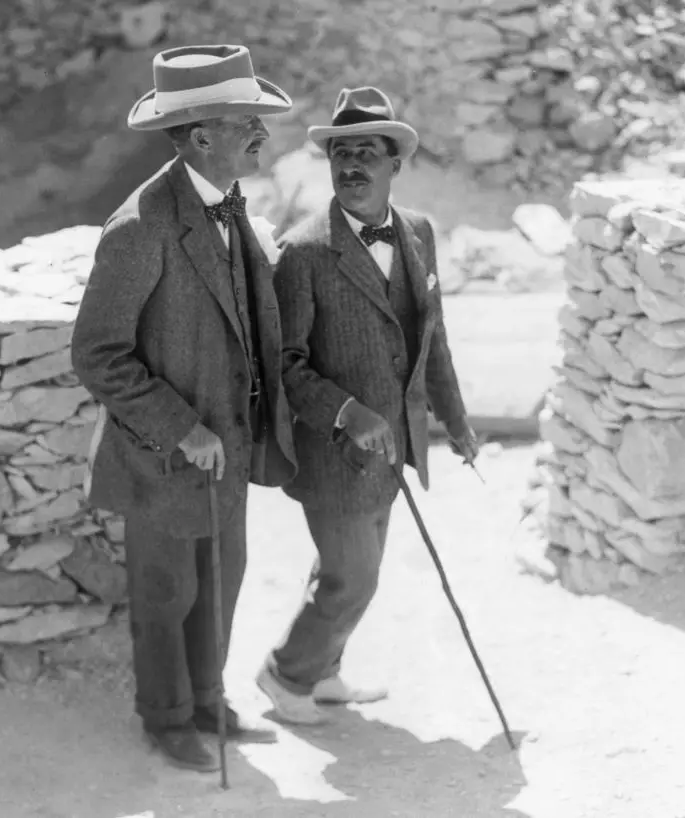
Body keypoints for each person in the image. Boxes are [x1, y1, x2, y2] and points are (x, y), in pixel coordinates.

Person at [70, 44, 298, 772]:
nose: (262, 136)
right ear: (202, 136)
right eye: (248, 124)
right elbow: (99, 354)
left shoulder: (232, 210)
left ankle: (207, 699)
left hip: (226, 452)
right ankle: (166, 719)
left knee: (222, 582)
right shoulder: (141, 227)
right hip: (165, 455)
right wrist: (182, 427)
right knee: (166, 594)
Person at [256, 87, 479, 725]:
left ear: (394, 164)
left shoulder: (417, 233)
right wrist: (348, 411)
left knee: (343, 567)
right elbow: (284, 364)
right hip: (335, 454)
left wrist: (454, 418)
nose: (352, 165)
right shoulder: (302, 252)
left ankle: (323, 674)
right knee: (354, 580)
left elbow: (430, 334)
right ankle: (285, 674)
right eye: (341, 153)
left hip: (395, 445)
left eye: (367, 154)